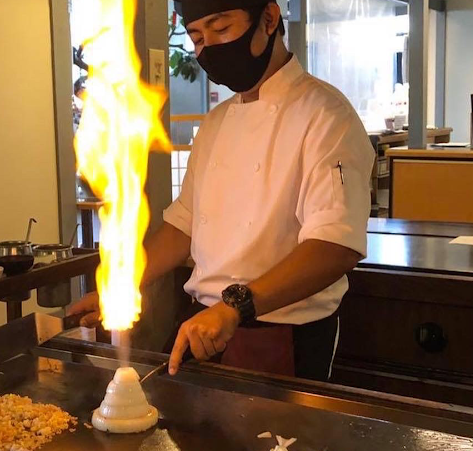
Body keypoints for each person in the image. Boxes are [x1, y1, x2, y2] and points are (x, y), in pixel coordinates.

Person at [70, 0, 374, 381]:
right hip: (202, 323)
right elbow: (183, 226)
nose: (209, 48)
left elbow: (334, 247)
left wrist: (236, 307)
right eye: (197, 38)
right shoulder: (214, 123)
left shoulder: (327, 117)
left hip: (281, 335)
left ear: (269, 18)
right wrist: (120, 287)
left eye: (221, 29)